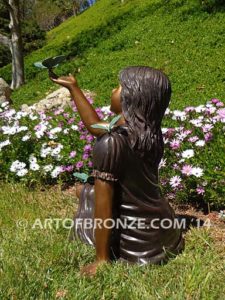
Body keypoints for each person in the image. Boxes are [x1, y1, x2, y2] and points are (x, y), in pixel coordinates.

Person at [49, 66, 184, 276]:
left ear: (132, 97)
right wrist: (73, 88)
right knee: (87, 190)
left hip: (138, 244)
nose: (113, 91)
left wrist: (101, 259)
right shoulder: (149, 134)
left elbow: (105, 206)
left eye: (118, 87)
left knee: (90, 195)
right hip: (164, 232)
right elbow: (95, 126)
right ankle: (84, 191)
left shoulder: (111, 142)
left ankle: (85, 197)